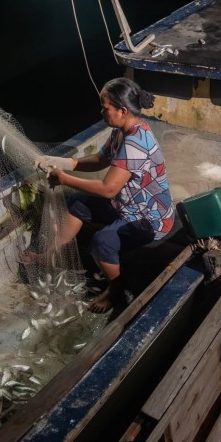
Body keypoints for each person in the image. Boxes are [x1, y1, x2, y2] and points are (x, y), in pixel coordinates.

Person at [29, 77, 175, 314]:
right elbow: (101, 159)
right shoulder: (123, 130)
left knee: (102, 241)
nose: (102, 112)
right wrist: (62, 163)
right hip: (127, 205)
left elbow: (108, 189)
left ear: (122, 110)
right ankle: (52, 254)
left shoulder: (136, 143)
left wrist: (63, 179)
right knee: (78, 201)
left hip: (150, 219)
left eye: (105, 108)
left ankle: (115, 292)